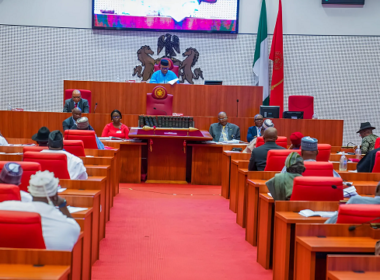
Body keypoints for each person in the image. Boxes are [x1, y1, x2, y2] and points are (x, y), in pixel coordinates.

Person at [0, 170, 81, 250]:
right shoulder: (68, 226)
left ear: (30, 191)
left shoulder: (7, 206)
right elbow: (74, 230)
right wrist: (63, 205)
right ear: (55, 196)